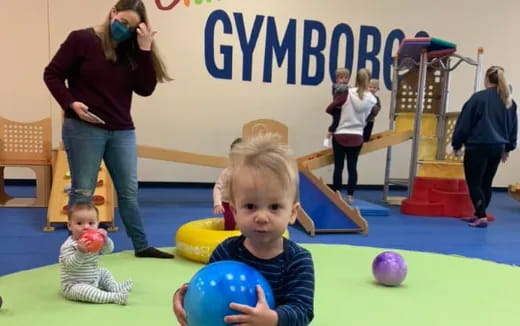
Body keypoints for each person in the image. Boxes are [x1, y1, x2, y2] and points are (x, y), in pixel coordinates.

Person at [43, 0, 173, 258]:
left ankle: (141, 245)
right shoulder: (81, 39)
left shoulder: (131, 50)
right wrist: (71, 103)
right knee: (83, 191)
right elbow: (52, 74)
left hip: (122, 129)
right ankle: (78, 250)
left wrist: (144, 50)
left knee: (128, 191)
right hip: (83, 127)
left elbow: (145, 89)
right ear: (113, 12)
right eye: (122, 21)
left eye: (131, 27)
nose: (124, 29)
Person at [173, 134, 315, 326]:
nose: (262, 217)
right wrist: (183, 297)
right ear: (235, 211)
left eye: (274, 207)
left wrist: (272, 319)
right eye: (250, 206)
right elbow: (208, 287)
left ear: (292, 212)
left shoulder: (298, 261)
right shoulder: (226, 251)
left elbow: (303, 311)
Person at [452, 65, 517, 228]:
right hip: (497, 147)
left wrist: (457, 144)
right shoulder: (508, 101)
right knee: (486, 182)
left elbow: (465, 122)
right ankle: (479, 213)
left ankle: (481, 216)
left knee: (474, 183)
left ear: (487, 79)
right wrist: (508, 148)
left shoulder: (478, 98)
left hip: (478, 146)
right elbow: (513, 126)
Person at [59, 202, 133, 305]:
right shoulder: (69, 245)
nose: (86, 227)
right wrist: (80, 252)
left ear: (98, 224)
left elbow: (108, 251)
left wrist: (106, 240)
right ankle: (112, 297)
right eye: (79, 223)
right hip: (74, 284)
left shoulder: (95, 240)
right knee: (86, 291)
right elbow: (71, 266)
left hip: (93, 277)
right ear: (70, 226)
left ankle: (114, 287)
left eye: (91, 223)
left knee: (104, 272)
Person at [326, 68, 377, 204]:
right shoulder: (372, 99)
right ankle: (350, 196)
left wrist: (337, 113)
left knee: (339, 167)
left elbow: (330, 108)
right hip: (357, 136)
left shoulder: (347, 93)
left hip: (341, 134)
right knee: (352, 167)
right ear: (368, 81)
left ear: (355, 79)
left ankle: (336, 194)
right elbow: (372, 116)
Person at [213, 137, 242, 230]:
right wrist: (218, 203)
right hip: (227, 203)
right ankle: (230, 241)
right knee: (230, 223)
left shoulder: (249, 172)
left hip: (243, 203)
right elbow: (218, 187)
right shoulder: (227, 172)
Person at [324, 68, 350, 147]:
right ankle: (327, 137)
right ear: (337, 79)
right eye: (341, 78)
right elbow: (342, 89)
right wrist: (351, 89)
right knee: (335, 123)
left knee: (343, 125)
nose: (344, 80)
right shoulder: (336, 87)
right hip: (337, 110)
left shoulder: (347, 87)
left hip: (344, 110)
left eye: (346, 78)